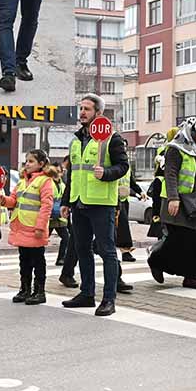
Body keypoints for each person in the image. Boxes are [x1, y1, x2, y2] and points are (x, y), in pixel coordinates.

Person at [61, 94, 129, 316]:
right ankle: (87, 294)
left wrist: (106, 173)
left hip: (101, 204)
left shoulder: (112, 138)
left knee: (108, 251)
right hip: (79, 203)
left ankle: (109, 299)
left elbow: (123, 166)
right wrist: (66, 201)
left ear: (98, 114)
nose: (82, 112)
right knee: (81, 249)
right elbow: (73, 174)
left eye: (87, 109)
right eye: (81, 108)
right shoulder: (76, 140)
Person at [149, 117, 196, 291]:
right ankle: (156, 261)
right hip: (179, 204)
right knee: (178, 240)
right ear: (192, 130)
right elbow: (171, 174)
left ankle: (192, 277)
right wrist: (173, 198)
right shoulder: (174, 149)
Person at [0, 149, 56, 305]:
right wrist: (4, 200)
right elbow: (14, 200)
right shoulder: (22, 181)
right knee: (24, 260)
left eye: (31, 161)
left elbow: (46, 206)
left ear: (41, 164)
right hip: (21, 227)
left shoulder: (45, 181)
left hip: (34, 228)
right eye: (26, 161)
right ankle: (25, 289)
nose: (27, 164)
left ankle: (39, 291)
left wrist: (40, 227)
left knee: (37, 261)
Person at [116, 169, 143, 262]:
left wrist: (140, 192)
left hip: (124, 199)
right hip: (113, 198)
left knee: (121, 226)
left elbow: (131, 182)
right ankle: (125, 251)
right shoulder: (115, 161)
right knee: (121, 226)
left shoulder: (127, 166)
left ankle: (124, 251)